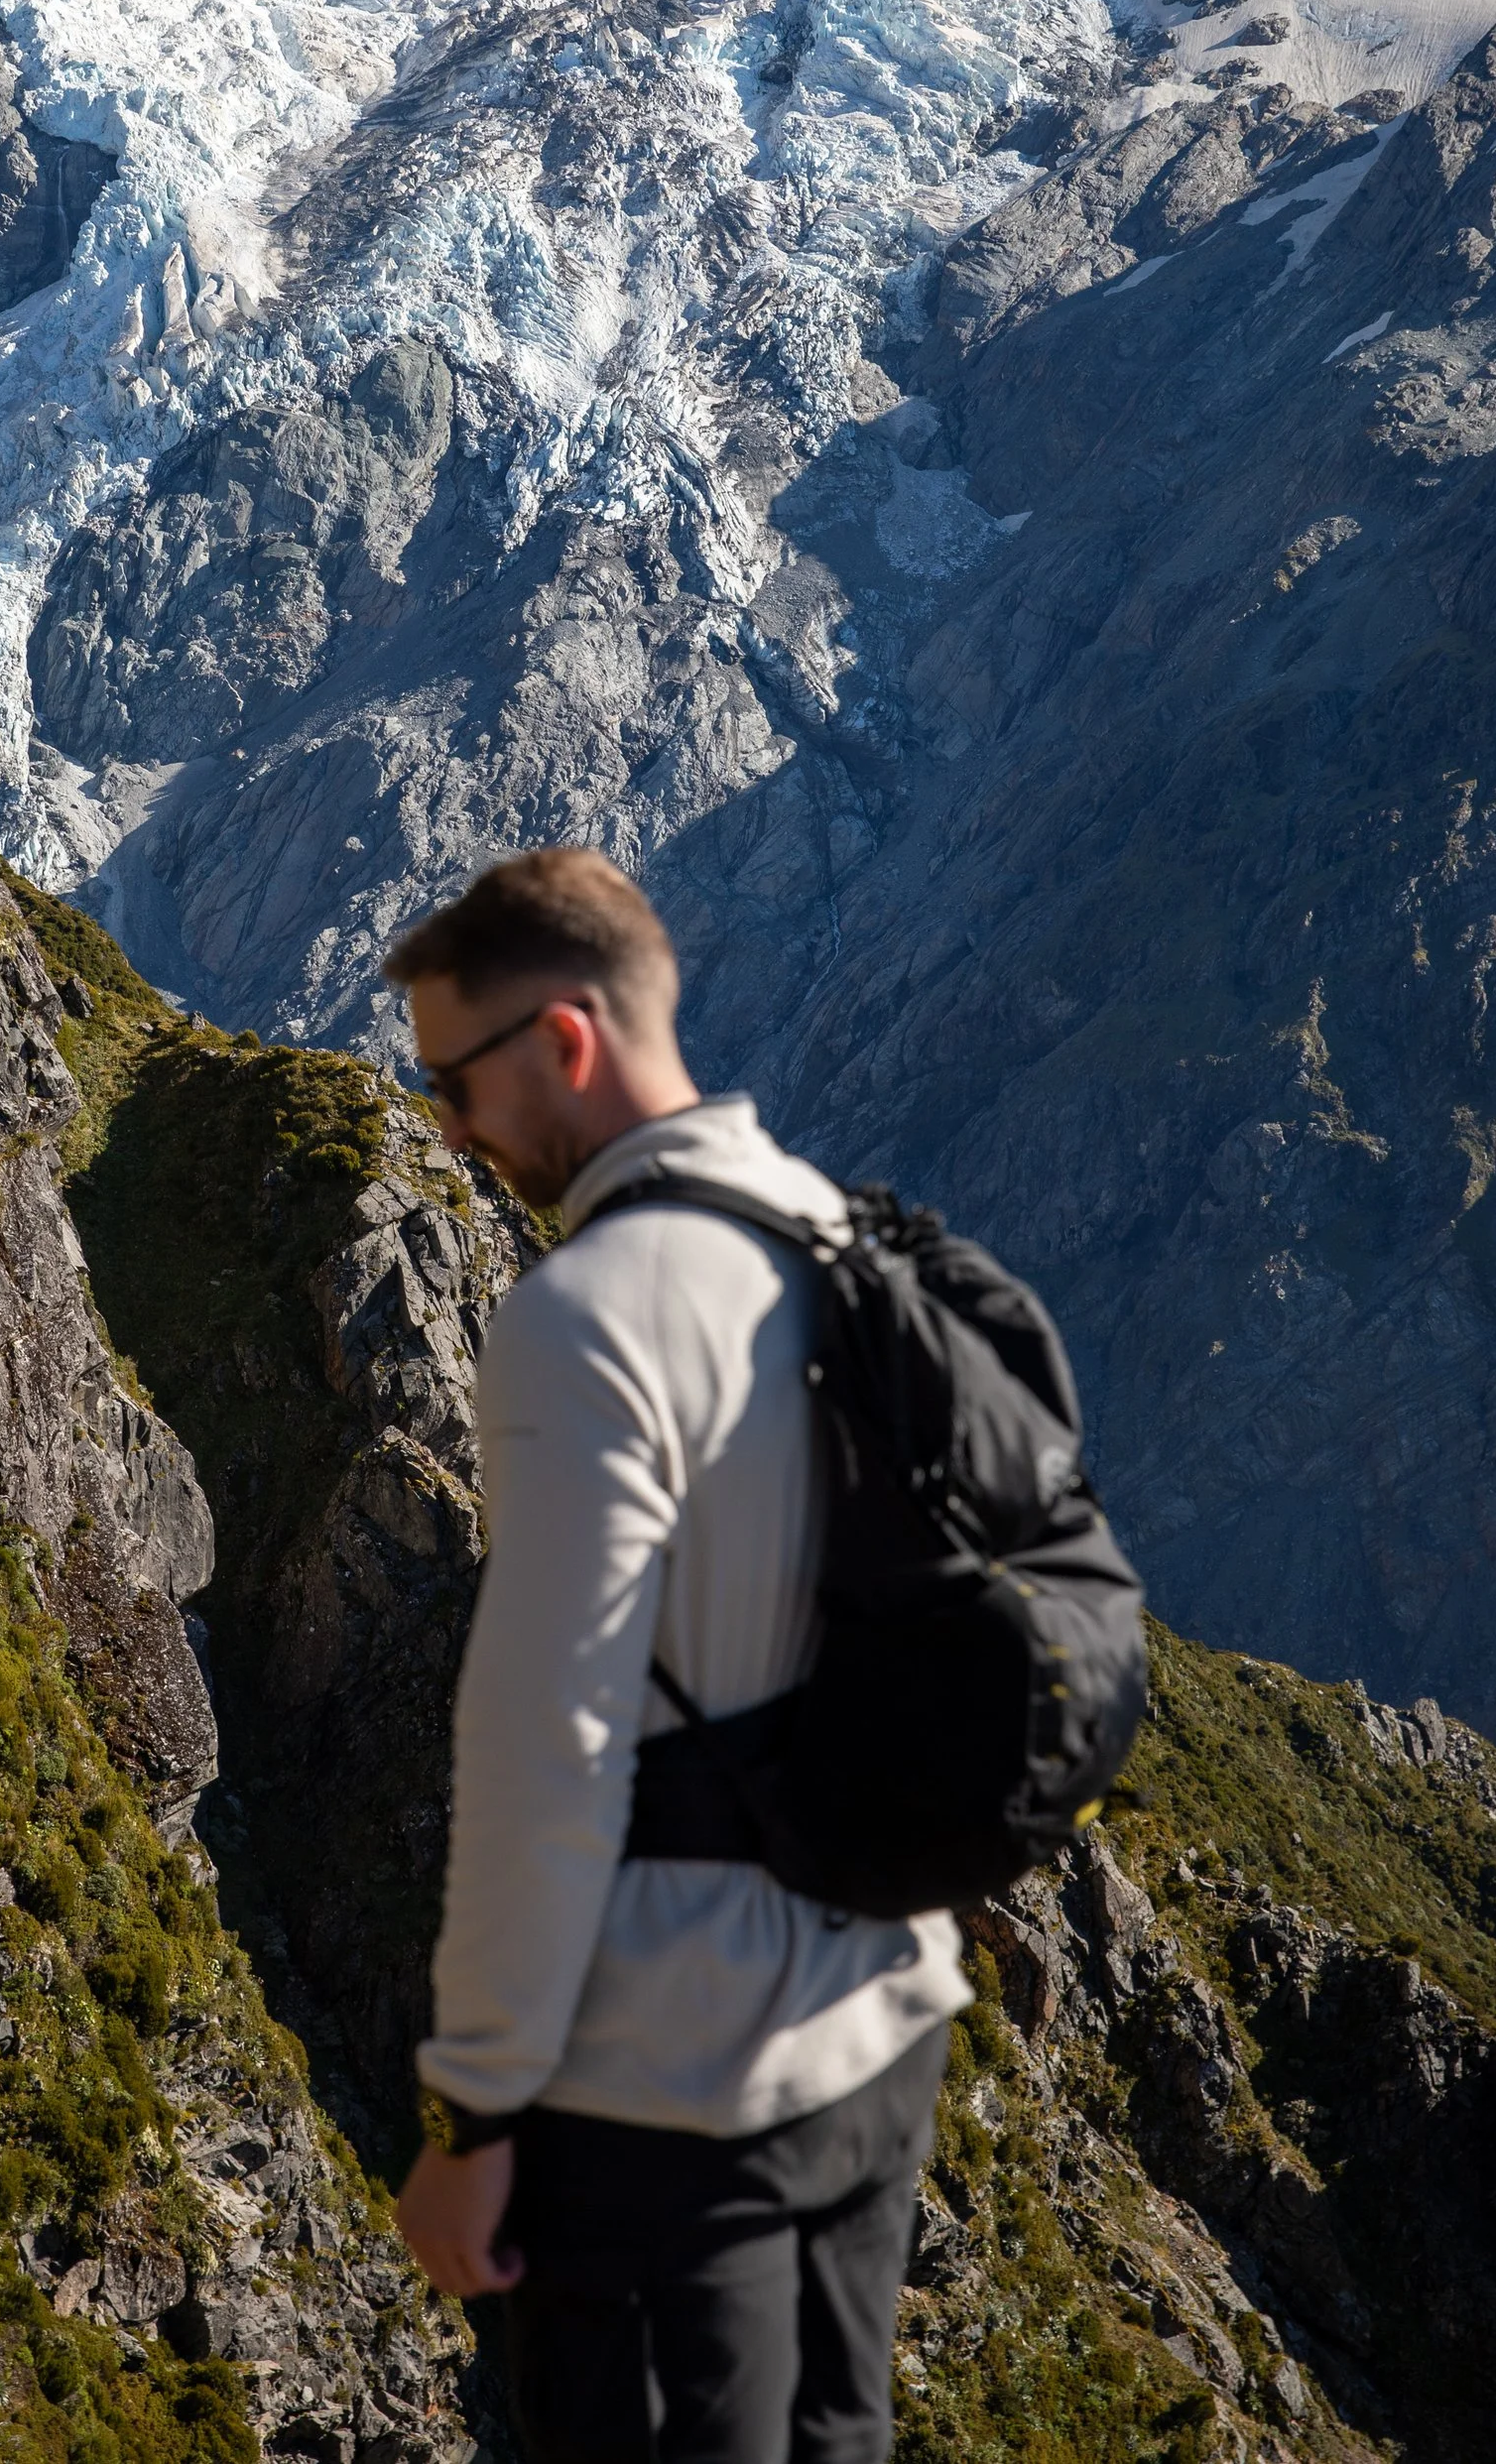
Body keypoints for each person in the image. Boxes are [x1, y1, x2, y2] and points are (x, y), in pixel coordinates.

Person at [387, 846, 968, 2464]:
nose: (446, 1127)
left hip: (674, 2089)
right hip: (882, 2017)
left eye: (453, 1077)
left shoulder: (585, 1314)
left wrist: (477, 2112)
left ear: (564, 1042)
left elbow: (546, 1749)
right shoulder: (843, 1235)